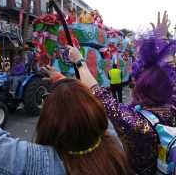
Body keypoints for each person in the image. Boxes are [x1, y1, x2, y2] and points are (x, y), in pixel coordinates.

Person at [66, 11, 176, 175]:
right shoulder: (172, 108)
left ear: (141, 87)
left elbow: (99, 94)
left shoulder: (138, 123)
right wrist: (160, 40)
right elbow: (162, 71)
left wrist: (79, 61)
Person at [0, 73, 128, 173]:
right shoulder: (114, 144)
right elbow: (98, 98)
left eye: (45, 98)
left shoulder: (44, 165)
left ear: (50, 122)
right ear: (96, 114)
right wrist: (66, 84)